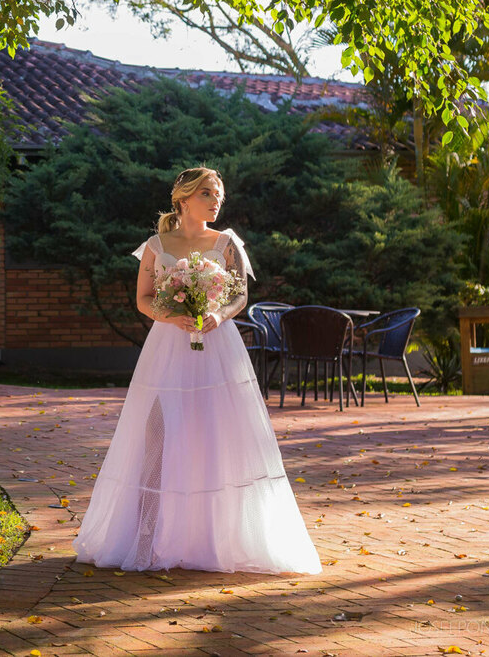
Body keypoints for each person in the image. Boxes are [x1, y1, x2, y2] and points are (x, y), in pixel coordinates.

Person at [73, 167, 321, 574]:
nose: (215, 200)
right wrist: (173, 316)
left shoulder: (227, 243)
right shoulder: (156, 244)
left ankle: (219, 539)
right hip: (168, 348)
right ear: (184, 199)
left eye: (219, 194)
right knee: (157, 435)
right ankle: (146, 538)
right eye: (207, 193)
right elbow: (143, 299)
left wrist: (216, 315)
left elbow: (239, 294)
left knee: (220, 435)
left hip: (217, 347)